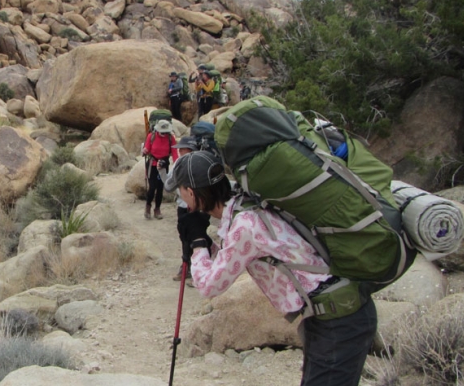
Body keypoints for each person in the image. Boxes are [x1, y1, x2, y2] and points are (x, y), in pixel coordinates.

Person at [164, 152, 377, 386]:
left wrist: (196, 244)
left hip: (338, 319)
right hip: (331, 314)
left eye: (181, 191)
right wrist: (203, 243)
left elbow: (208, 286)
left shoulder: (243, 225)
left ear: (191, 192)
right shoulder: (245, 205)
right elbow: (233, 259)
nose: (181, 198)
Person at [163, 135, 208, 283]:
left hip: (194, 206)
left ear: (189, 149)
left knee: (197, 237)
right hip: (190, 205)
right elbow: (168, 184)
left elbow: (169, 186)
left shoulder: (181, 164)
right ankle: (188, 267)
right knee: (186, 237)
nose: (180, 152)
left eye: (182, 149)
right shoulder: (200, 161)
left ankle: (196, 269)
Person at [142, 120, 178, 220]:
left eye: (166, 132)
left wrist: (177, 164)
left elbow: (174, 152)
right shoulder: (151, 136)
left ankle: (157, 209)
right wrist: (145, 151)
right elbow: (147, 148)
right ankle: (148, 206)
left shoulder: (171, 138)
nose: (164, 134)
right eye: (162, 132)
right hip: (152, 164)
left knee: (161, 188)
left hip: (163, 164)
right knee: (152, 187)